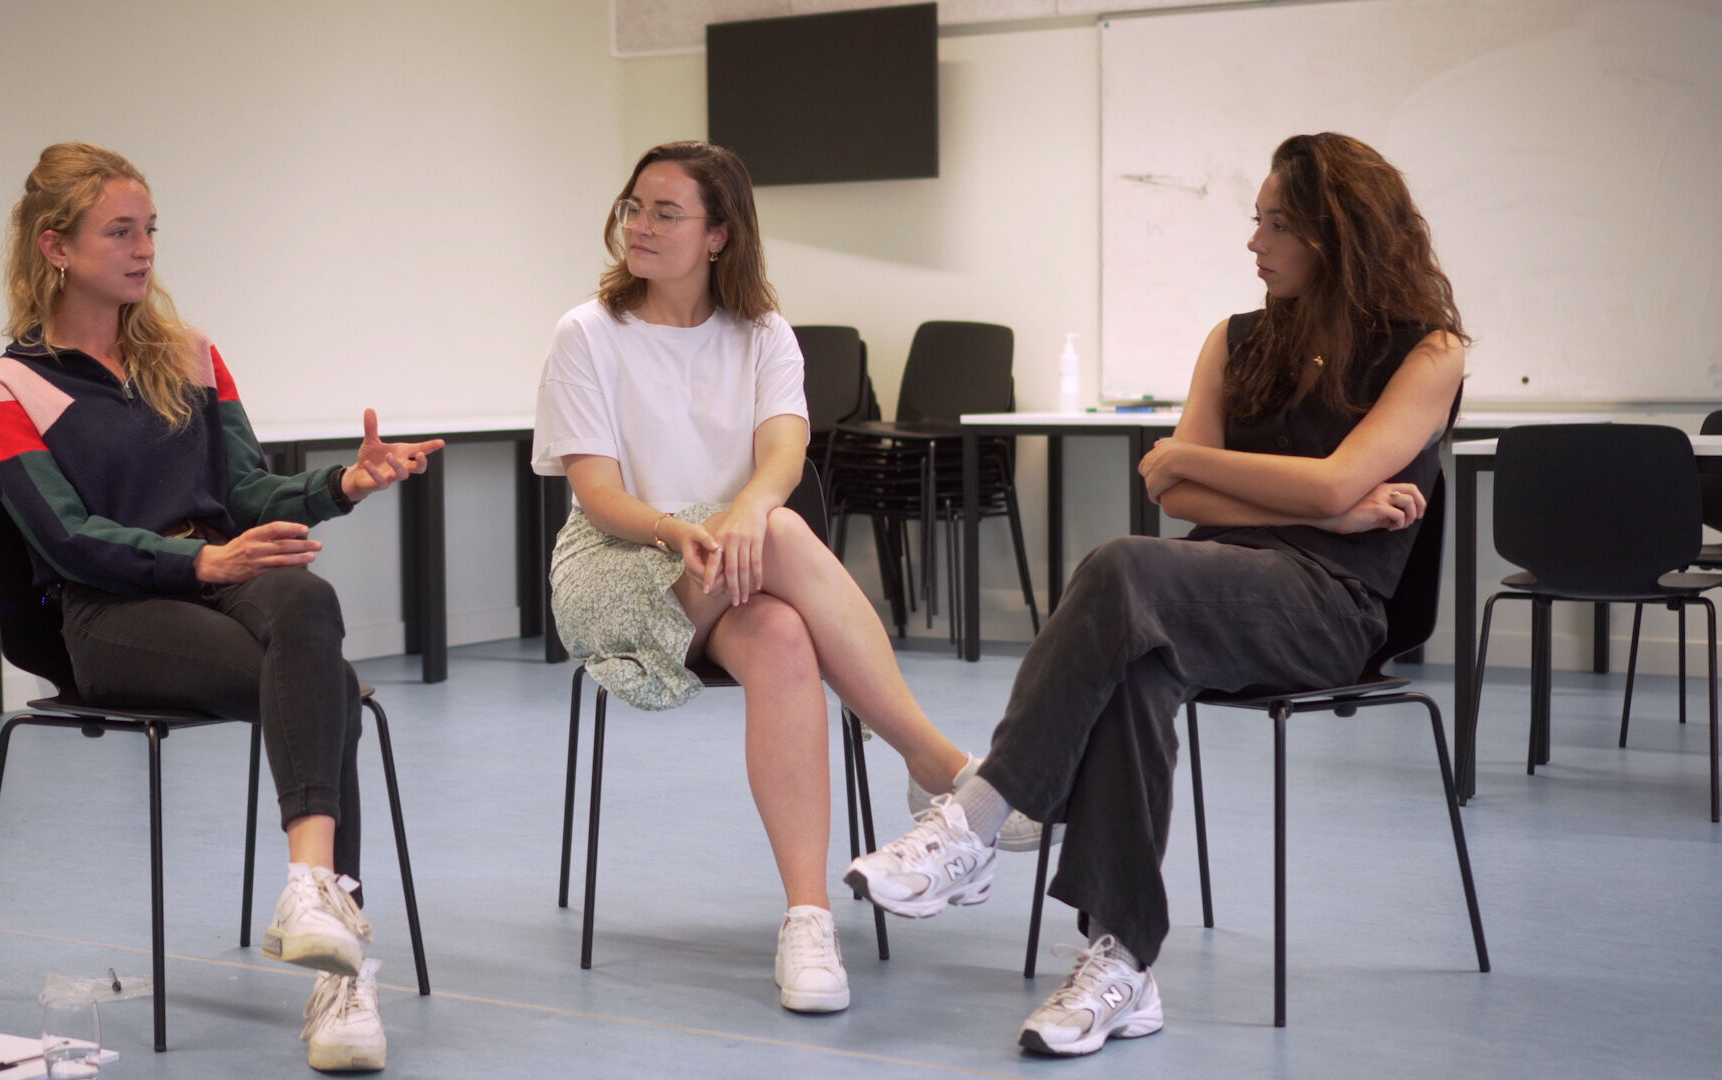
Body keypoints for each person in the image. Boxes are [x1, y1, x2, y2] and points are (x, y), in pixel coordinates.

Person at [845, 132, 1467, 1056]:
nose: (1254, 242)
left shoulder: (1429, 352)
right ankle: (1125, 965)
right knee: (1136, 667)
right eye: (1256, 220)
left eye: (1277, 225)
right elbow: (1176, 494)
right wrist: (1324, 505)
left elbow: (1259, 473)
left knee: (1121, 565)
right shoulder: (1237, 338)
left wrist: (1274, 485)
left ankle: (978, 815)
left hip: (1329, 609)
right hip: (1205, 593)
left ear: (1337, 234)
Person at [532, 140, 1042, 1014]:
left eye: (665, 212)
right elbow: (598, 492)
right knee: (785, 532)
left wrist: (744, 513)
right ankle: (941, 767)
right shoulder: (587, 333)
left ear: (719, 235)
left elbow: (784, 451)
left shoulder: (764, 333)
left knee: (781, 633)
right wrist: (686, 528)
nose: (640, 225)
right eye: (633, 207)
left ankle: (809, 919)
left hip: (736, 566)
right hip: (619, 563)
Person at [0, 142, 444, 1073]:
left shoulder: (192, 355)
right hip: (110, 612)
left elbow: (247, 492)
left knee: (307, 594)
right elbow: (67, 538)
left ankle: (312, 898)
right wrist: (201, 559)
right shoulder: (10, 386)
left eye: (150, 229)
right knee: (328, 689)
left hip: (222, 573)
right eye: (121, 232)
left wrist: (343, 484)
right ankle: (341, 972)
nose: (145, 249)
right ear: (55, 246)